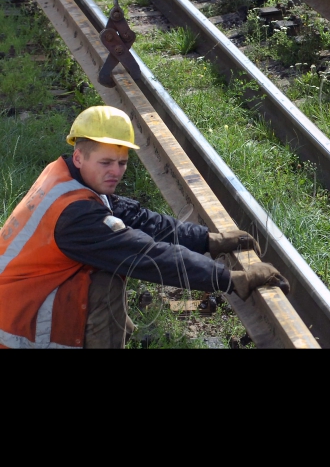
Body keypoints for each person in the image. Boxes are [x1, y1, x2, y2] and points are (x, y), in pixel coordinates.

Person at [0, 105, 290, 349]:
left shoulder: (66, 176)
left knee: (104, 275)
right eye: (106, 163)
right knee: (106, 281)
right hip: (15, 326)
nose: (115, 172)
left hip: (25, 295)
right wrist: (230, 279)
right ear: (79, 156)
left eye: (122, 163)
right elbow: (147, 255)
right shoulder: (77, 216)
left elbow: (138, 218)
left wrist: (208, 240)